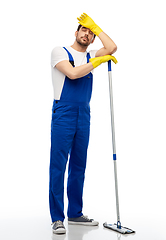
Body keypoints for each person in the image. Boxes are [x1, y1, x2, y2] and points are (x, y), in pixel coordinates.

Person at [49, 13, 117, 234]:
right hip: (64, 113)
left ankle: (75, 213)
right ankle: (57, 218)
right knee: (59, 167)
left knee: (79, 165)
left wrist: (96, 27)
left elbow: (112, 47)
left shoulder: (90, 54)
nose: (86, 34)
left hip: (84, 114)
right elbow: (73, 74)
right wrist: (97, 61)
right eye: (84, 30)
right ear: (76, 33)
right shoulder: (60, 52)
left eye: (90, 33)